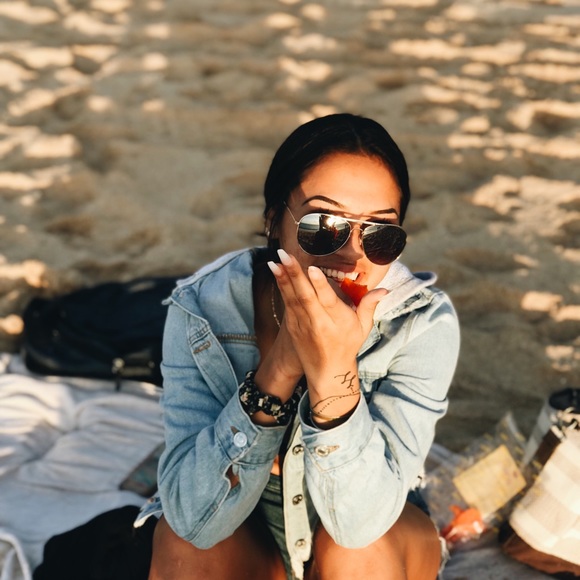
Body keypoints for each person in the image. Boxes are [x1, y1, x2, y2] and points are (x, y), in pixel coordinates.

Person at [145, 113, 460, 579]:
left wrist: (334, 372)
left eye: (380, 234)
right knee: (181, 546)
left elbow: (360, 525)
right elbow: (193, 518)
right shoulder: (202, 309)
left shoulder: (420, 322)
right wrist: (280, 366)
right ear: (274, 220)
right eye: (323, 224)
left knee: (353, 555)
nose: (352, 255)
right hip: (246, 531)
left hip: (372, 531)